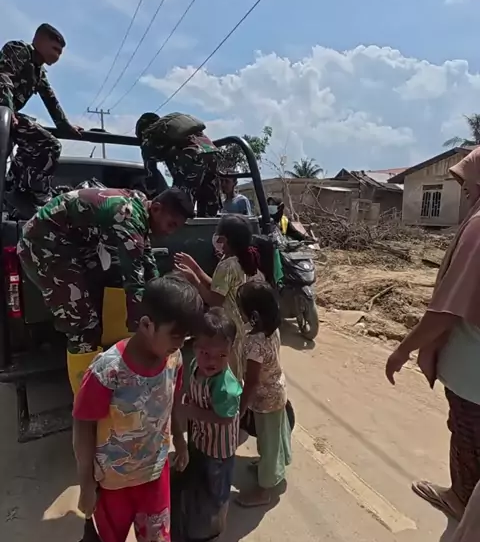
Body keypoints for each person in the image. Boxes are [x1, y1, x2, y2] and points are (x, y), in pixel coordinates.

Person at [72, 276, 204, 542]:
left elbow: (173, 403)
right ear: (146, 325)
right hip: (110, 486)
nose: (180, 345)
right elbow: (82, 426)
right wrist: (86, 484)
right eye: (175, 336)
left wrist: (179, 439)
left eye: (185, 338)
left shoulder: (174, 360)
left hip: (152, 478)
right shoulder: (107, 371)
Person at [18, 186, 194, 394]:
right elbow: (134, 282)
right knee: (83, 325)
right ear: (156, 208)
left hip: (71, 246)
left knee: (99, 303)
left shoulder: (141, 209)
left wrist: (162, 302)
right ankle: (87, 401)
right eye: (170, 224)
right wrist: (148, 335)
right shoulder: (127, 215)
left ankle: (103, 376)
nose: (170, 232)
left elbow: (147, 263)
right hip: (44, 245)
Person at [386, 146, 480, 527]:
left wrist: (403, 350)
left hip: (472, 376)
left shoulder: (478, 226)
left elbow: (446, 310)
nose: (463, 187)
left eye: (468, 179)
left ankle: (460, 511)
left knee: (467, 439)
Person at [172, 308, 242, 542]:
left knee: (218, 492)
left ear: (230, 351)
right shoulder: (195, 367)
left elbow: (225, 419)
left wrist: (192, 412)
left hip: (219, 451)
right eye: (205, 353)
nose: (212, 361)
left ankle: (218, 532)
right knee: (200, 484)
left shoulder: (226, 388)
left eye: (222, 355)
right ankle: (199, 519)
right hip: (200, 439)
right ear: (194, 348)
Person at [0, 24, 82, 206]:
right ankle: (37, 190)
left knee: (37, 144)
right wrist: (7, 107)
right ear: (40, 41)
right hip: (4, 112)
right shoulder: (19, 50)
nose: (57, 56)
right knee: (50, 144)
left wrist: (65, 125)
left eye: (60, 52)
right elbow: (3, 76)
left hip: (9, 117)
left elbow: (50, 99)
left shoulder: (38, 71)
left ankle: (13, 186)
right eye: (55, 49)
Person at [174, 214, 263, 379]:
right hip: (240, 324)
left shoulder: (227, 265)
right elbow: (217, 287)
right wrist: (195, 267)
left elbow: (214, 300)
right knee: (235, 367)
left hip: (229, 325)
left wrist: (193, 279)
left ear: (224, 239)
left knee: (229, 372)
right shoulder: (236, 260)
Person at [236, 280, 292, 507]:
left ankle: (263, 491)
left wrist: (240, 409)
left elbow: (251, 382)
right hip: (277, 390)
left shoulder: (255, 344)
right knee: (273, 436)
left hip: (265, 399)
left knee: (268, 444)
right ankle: (269, 466)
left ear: (253, 315)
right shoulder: (271, 329)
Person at [136, 112, 221, 217]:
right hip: (211, 152)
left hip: (191, 157)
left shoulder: (149, 139)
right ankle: (209, 223)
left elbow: (151, 178)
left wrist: (152, 205)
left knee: (180, 205)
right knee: (209, 201)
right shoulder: (172, 129)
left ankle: (183, 226)